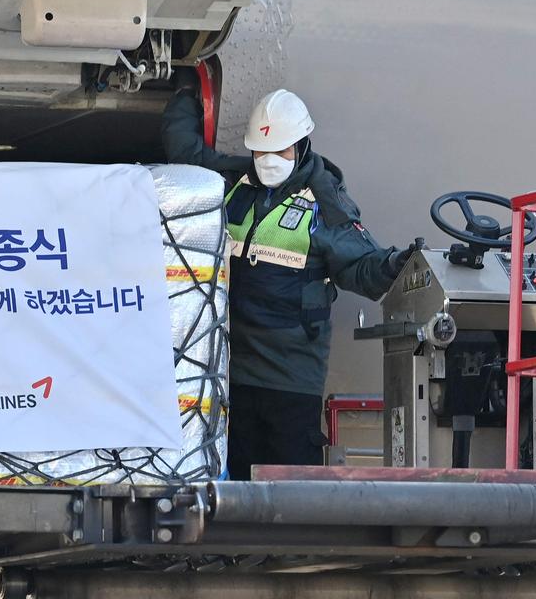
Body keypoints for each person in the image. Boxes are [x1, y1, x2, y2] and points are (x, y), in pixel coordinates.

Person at [162, 69, 421, 478]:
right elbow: (186, 159)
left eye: (279, 152)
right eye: (260, 152)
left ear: (301, 146)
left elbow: (360, 268)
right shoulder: (236, 183)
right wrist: (184, 93)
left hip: (291, 378)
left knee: (286, 487)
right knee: (235, 481)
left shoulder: (326, 202)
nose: (267, 162)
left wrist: (393, 264)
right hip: (231, 371)